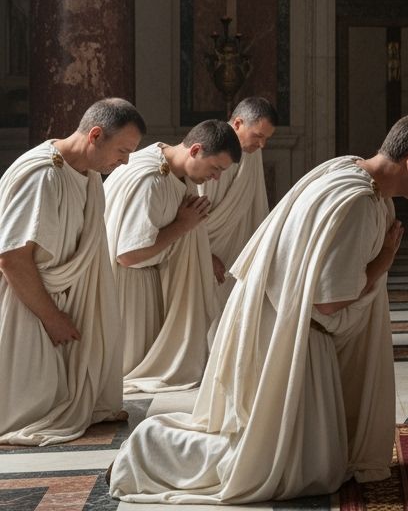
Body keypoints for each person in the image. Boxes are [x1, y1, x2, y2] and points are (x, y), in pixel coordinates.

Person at [110, 113, 408, 504]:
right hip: (291, 337)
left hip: (280, 325)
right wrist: (382, 263)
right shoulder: (358, 200)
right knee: (284, 468)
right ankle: (148, 450)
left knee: (314, 463)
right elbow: (328, 299)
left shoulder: (345, 168)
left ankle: (155, 447)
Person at [0, 98, 144, 445]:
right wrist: (52, 317)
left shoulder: (88, 174)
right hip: (26, 302)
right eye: (122, 151)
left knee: (62, 398)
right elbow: (12, 258)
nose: (124, 161)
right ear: (95, 135)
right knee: (31, 407)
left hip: (59, 298)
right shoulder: (44, 173)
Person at [105, 119, 240, 392]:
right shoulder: (151, 179)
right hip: (126, 288)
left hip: (145, 282)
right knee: (125, 381)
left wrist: (204, 252)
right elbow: (128, 255)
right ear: (195, 150)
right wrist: (184, 226)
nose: (216, 178)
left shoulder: (174, 173)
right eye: (216, 168)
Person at [202, 96, 277, 308]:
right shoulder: (211, 146)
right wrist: (204, 252)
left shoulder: (252, 153)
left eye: (267, 139)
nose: (262, 144)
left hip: (238, 249)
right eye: (258, 136)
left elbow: (256, 200)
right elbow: (194, 203)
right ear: (237, 124)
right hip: (205, 250)